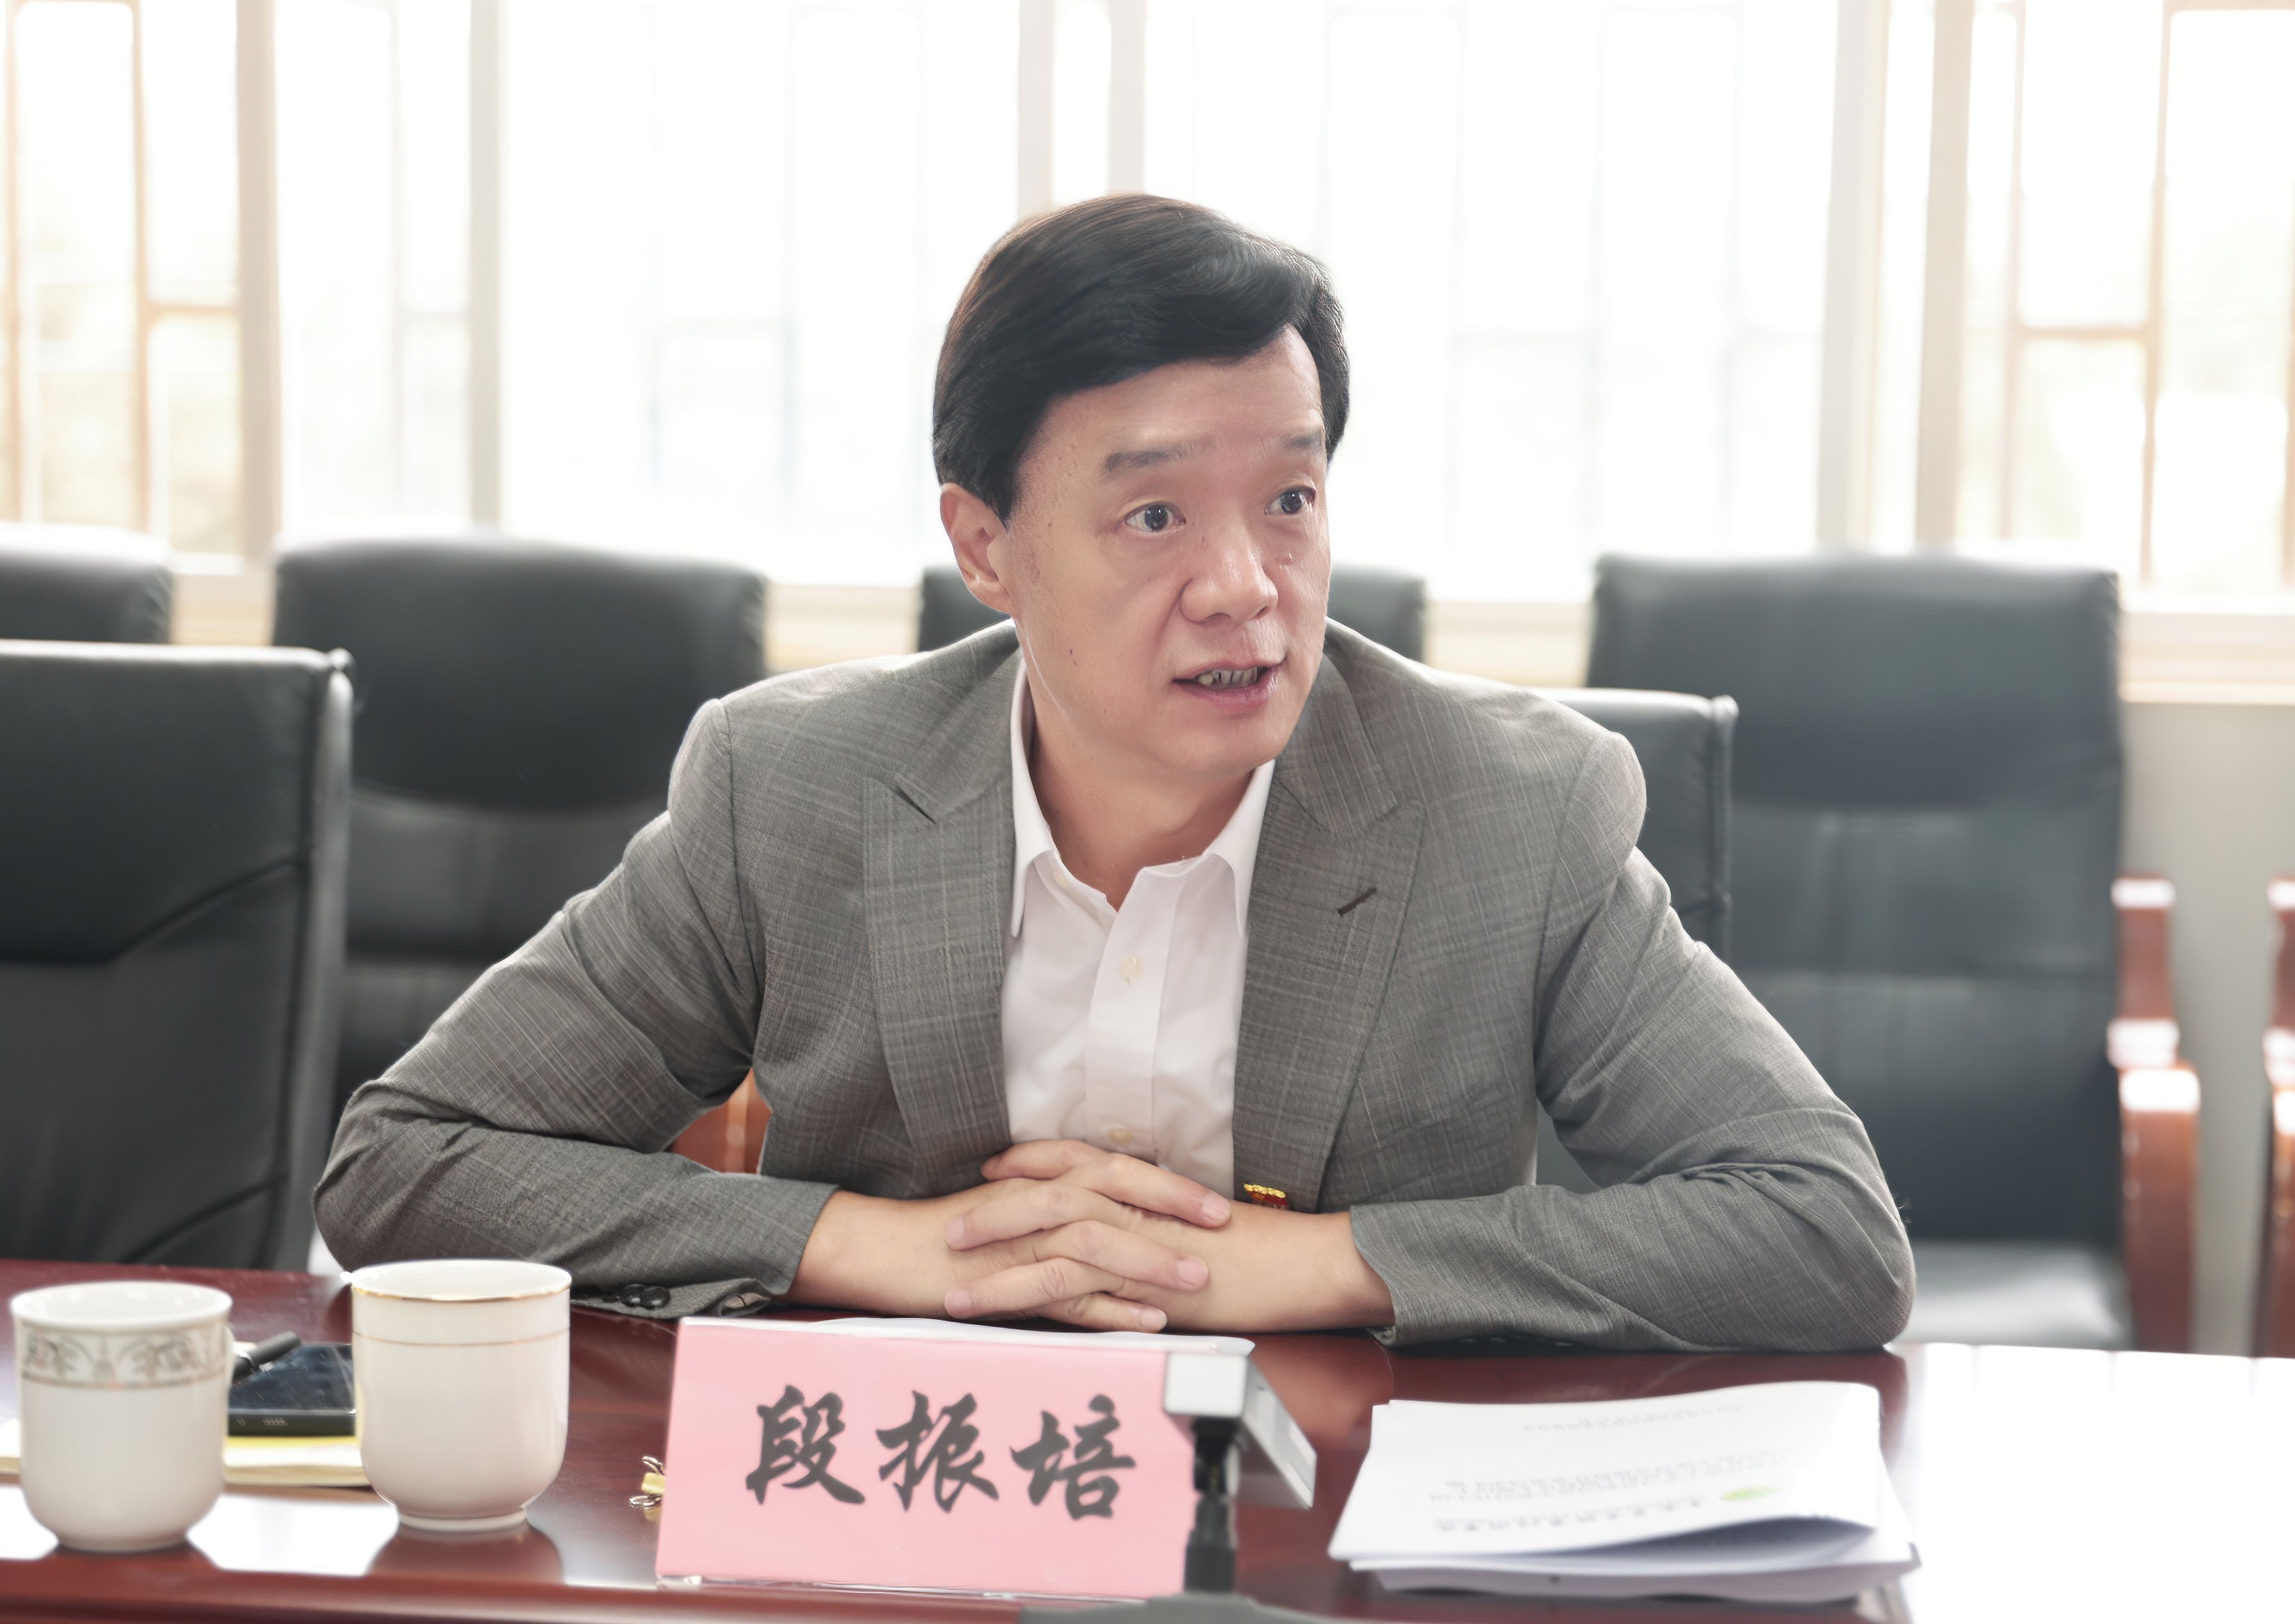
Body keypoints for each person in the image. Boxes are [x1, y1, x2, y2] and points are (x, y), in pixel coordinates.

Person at [318, 195, 1913, 1349]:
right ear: (985, 545)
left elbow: (1821, 1224)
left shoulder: (1510, 810)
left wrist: (1319, 1265)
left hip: (1320, 1532)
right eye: (1154, 515)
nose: (1244, 586)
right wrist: (880, 1245)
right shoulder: (792, 789)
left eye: (1290, 499)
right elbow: (410, 1159)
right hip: (909, 1516)